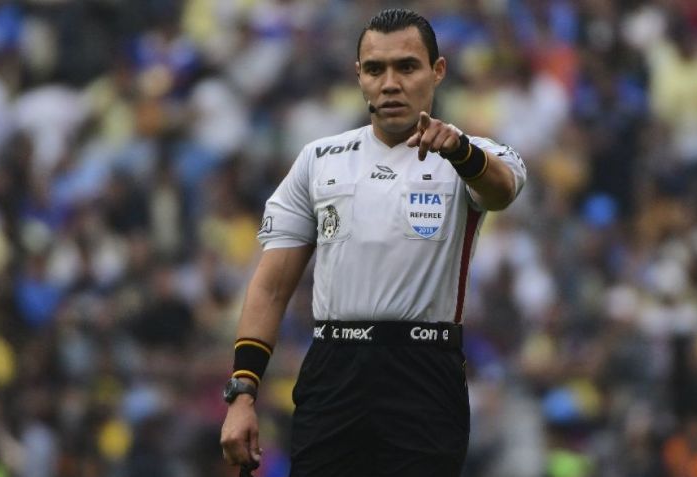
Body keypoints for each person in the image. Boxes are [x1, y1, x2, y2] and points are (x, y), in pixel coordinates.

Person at [220, 8, 526, 477]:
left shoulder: (471, 154)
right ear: (358, 76)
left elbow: (500, 191)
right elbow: (271, 286)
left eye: (406, 66)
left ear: (437, 71)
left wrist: (462, 153)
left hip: (424, 371)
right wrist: (242, 393)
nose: (390, 83)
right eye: (375, 69)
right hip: (333, 370)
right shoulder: (318, 160)